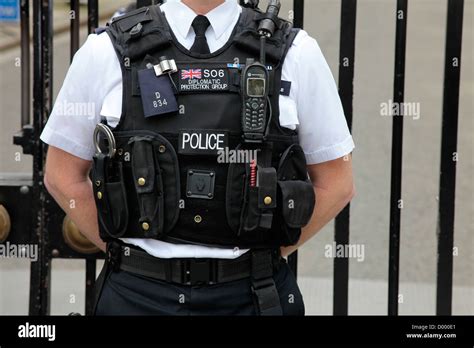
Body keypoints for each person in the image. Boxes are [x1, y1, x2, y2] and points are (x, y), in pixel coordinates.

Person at [41, 0, 355, 316]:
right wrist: (126, 253)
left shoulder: (296, 51)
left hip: (255, 295)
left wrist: (265, 254)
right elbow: (61, 175)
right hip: (136, 295)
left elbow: (336, 183)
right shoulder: (105, 50)